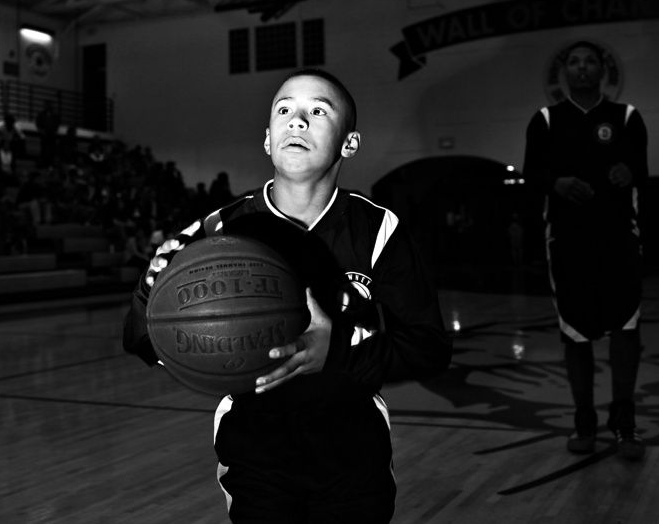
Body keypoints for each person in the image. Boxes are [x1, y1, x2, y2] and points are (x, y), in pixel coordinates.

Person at [123, 68, 452, 523]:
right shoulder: (218, 231)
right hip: (255, 446)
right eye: (284, 110)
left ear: (349, 143)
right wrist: (148, 291)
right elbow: (143, 340)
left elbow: (429, 347)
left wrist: (333, 352)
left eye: (318, 111)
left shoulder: (379, 229)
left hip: (352, 443)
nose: (297, 121)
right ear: (267, 139)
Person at [522, 40, 649, 461]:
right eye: (574, 62)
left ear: (602, 69)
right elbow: (532, 177)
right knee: (575, 332)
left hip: (619, 237)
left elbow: (643, 173)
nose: (581, 68)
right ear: (564, 72)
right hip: (568, 240)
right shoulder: (544, 120)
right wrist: (556, 184)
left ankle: (624, 421)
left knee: (626, 328)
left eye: (589, 61)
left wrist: (628, 170)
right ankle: (584, 419)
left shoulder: (626, 117)